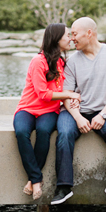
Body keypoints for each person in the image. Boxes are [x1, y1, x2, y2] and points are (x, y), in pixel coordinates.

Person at [51, 17, 106, 207]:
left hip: (102, 111)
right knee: (65, 134)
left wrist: (103, 115)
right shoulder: (72, 62)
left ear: (89, 33)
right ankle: (63, 187)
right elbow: (67, 95)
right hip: (74, 111)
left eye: (74, 34)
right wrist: (77, 118)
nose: (71, 38)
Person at [13, 23, 81, 201]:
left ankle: (32, 180)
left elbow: (59, 91)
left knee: (43, 132)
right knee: (21, 132)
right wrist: (69, 94)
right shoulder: (38, 61)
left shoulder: (61, 62)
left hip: (49, 110)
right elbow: (43, 94)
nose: (71, 39)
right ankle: (37, 179)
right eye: (67, 35)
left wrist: (72, 97)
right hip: (28, 108)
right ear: (57, 38)